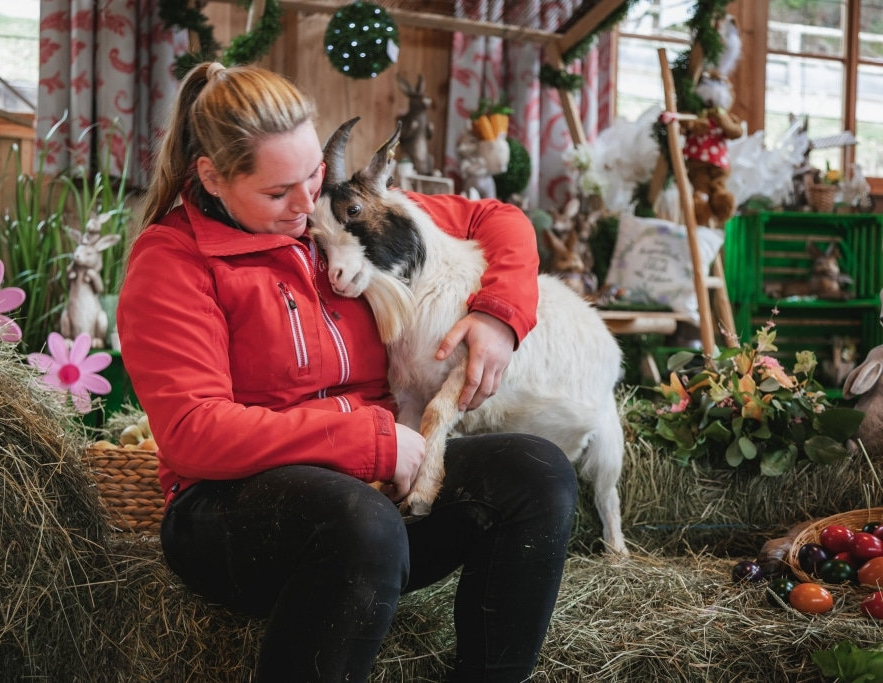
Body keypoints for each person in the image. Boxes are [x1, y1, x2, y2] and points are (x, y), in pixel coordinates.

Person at [117, 61, 578, 683]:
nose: (307, 204)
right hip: (232, 511)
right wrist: (373, 443)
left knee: (535, 471)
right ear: (213, 178)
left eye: (313, 175)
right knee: (363, 523)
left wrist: (500, 315)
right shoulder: (173, 261)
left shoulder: (328, 215)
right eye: (279, 193)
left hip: (377, 490)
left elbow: (497, 220)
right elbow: (194, 433)